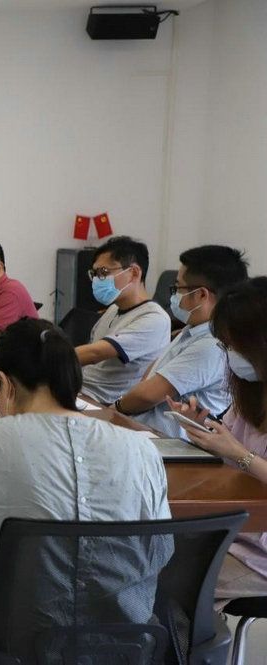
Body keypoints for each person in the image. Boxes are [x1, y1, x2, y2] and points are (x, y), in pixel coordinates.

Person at [0, 318, 170, 649]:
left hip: (13, 646)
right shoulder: (142, 449)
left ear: (5, 384)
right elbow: (158, 549)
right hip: (124, 645)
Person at [171, 277, 267, 603]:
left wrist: (240, 455)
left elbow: (238, 454)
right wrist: (203, 429)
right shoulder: (251, 391)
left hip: (257, 557)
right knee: (147, 558)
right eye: (225, 345)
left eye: (234, 345)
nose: (230, 355)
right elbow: (228, 444)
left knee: (168, 583)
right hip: (233, 534)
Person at [115, 245, 248, 438]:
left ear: (201, 294)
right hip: (140, 431)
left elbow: (148, 395)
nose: (174, 295)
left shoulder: (212, 344)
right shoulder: (193, 328)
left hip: (164, 443)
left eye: (177, 288)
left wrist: (114, 409)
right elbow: (149, 377)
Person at [76, 236, 170, 405]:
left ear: (134, 272)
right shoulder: (113, 309)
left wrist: (47, 357)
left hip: (103, 404)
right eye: (94, 274)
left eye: (103, 272)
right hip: (80, 391)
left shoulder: (154, 319)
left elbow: (95, 354)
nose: (96, 280)